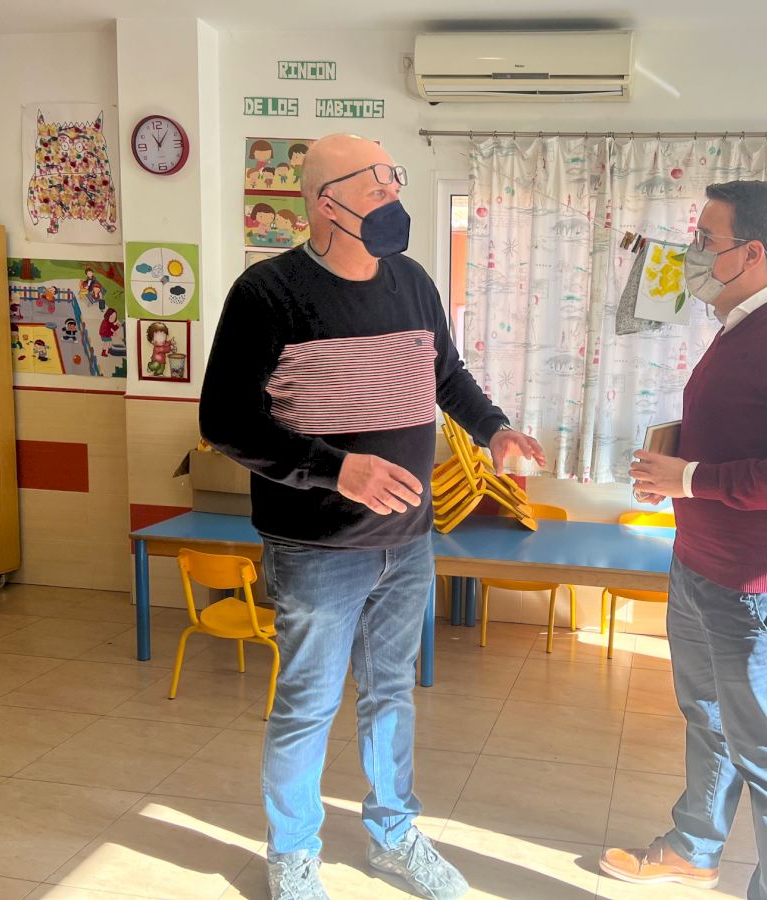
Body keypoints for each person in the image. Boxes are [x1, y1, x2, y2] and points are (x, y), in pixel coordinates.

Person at [200, 133, 544, 900]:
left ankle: (395, 836)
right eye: (375, 185)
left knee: (390, 695)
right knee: (308, 706)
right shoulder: (267, 293)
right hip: (316, 548)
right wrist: (337, 469)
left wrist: (493, 430)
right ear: (327, 204)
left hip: (408, 542)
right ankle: (293, 857)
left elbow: (445, 374)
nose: (393, 195)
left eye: (394, 179)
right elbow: (225, 421)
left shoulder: (413, 281)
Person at [611, 180, 767, 899]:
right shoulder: (737, 327)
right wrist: (675, 470)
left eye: (704, 240)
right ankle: (694, 848)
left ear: (751, 253)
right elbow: (743, 434)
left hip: (761, 589)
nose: (691, 253)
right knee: (708, 719)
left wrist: (691, 478)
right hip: (700, 568)